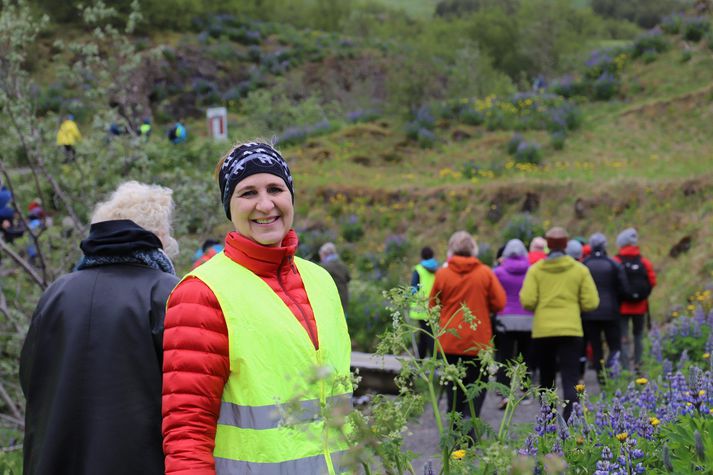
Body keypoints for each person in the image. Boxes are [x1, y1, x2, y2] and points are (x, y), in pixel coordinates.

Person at [162, 141, 352, 474]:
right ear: (229, 207)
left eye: (275, 188)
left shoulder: (321, 282)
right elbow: (187, 432)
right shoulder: (202, 293)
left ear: (291, 196)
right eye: (247, 193)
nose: (265, 205)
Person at [20, 181, 180, 475]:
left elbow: (30, 380)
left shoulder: (57, 293)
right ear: (159, 236)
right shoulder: (167, 292)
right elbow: (188, 398)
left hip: (53, 461)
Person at [520, 226, 599, 421]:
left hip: (543, 331)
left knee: (546, 378)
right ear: (566, 244)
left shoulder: (536, 270)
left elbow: (527, 300)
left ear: (547, 244)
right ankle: (570, 423)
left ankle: (549, 420)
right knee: (570, 377)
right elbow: (591, 302)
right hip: (571, 329)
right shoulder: (580, 270)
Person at [429, 231, 506, 422]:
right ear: (473, 249)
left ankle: (455, 435)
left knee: (453, 389)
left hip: (450, 341)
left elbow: (432, 306)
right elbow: (500, 303)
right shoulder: (485, 273)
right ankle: (470, 429)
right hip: (477, 341)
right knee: (477, 387)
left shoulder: (443, 274)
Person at [581, 233, 630, 384]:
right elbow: (624, 288)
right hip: (611, 311)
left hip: (589, 313)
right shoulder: (613, 263)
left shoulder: (584, 264)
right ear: (605, 246)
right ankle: (611, 368)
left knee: (596, 347)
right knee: (615, 345)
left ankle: (601, 378)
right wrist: (617, 302)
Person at [493, 239, 533, 409]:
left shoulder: (498, 272)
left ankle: (504, 394)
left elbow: (494, 295)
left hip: (505, 319)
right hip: (527, 320)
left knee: (505, 358)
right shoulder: (531, 271)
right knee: (525, 358)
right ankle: (525, 392)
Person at [614, 227, 656, 372]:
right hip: (641, 307)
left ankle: (625, 368)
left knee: (623, 337)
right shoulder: (644, 262)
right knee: (639, 335)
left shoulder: (616, 261)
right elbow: (652, 281)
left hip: (621, 307)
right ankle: (639, 365)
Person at [410, 246, 438, 358]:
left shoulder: (418, 269)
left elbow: (414, 289)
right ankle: (421, 358)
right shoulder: (437, 270)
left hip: (420, 309)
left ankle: (433, 360)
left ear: (421, 256)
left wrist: (405, 296)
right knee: (426, 334)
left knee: (428, 335)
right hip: (434, 308)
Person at [319, 242, 351, 312]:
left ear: (325, 254)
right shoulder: (342, 265)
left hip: (330, 301)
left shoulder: (324, 267)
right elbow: (348, 278)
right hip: (343, 299)